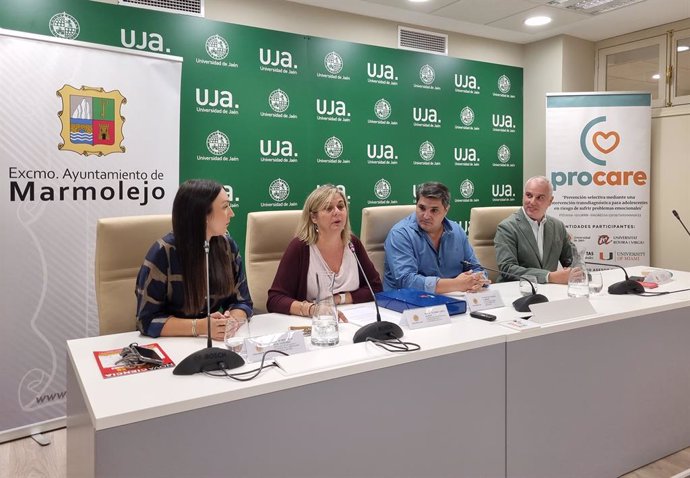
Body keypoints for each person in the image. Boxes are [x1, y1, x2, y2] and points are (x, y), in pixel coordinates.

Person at [136, 179, 253, 339]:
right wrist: (200, 326)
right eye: (225, 207)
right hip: (172, 345)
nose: (232, 213)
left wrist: (230, 322)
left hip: (214, 344)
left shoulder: (228, 247)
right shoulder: (162, 253)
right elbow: (146, 320)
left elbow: (242, 302)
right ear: (202, 214)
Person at [267, 184, 382, 318]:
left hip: (353, 319)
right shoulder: (300, 247)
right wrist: (313, 309)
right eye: (328, 208)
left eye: (340, 206)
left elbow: (376, 288)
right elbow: (275, 299)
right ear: (313, 218)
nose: (337, 212)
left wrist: (339, 299)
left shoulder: (353, 243)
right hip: (315, 324)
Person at [383, 181, 488, 293]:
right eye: (422, 208)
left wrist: (478, 280)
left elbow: (477, 268)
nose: (426, 216)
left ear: (446, 210)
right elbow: (407, 281)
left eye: (434, 210)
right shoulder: (400, 234)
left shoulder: (457, 230)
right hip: (407, 302)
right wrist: (458, 284)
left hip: (453, 298)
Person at [494, 176, 574, 284]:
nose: (532, 202)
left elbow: (573, 259)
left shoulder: (558, 226)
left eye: (540, 197)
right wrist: (548, 277)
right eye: (529, 195)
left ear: (550, 201)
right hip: (517, 292)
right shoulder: (507, 227)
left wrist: (577, 272)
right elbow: (507, 268)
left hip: (550, 292)